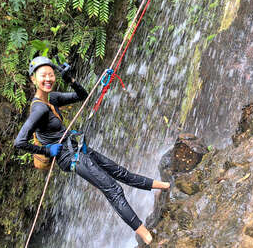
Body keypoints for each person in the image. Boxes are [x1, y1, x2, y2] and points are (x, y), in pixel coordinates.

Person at [14, 56, 170, 245]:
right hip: (69, 157)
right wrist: (48, 151)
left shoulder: (51, 99)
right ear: (33, 79)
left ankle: (166, 186)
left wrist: (70, 79)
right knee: (113, 189)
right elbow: (19, 141)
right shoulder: (39, 109)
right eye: (42, 76)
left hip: (77, 147)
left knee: (120, 172)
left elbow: (82, 95)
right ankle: (147, 237)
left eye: (51, 75)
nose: (48, 79)